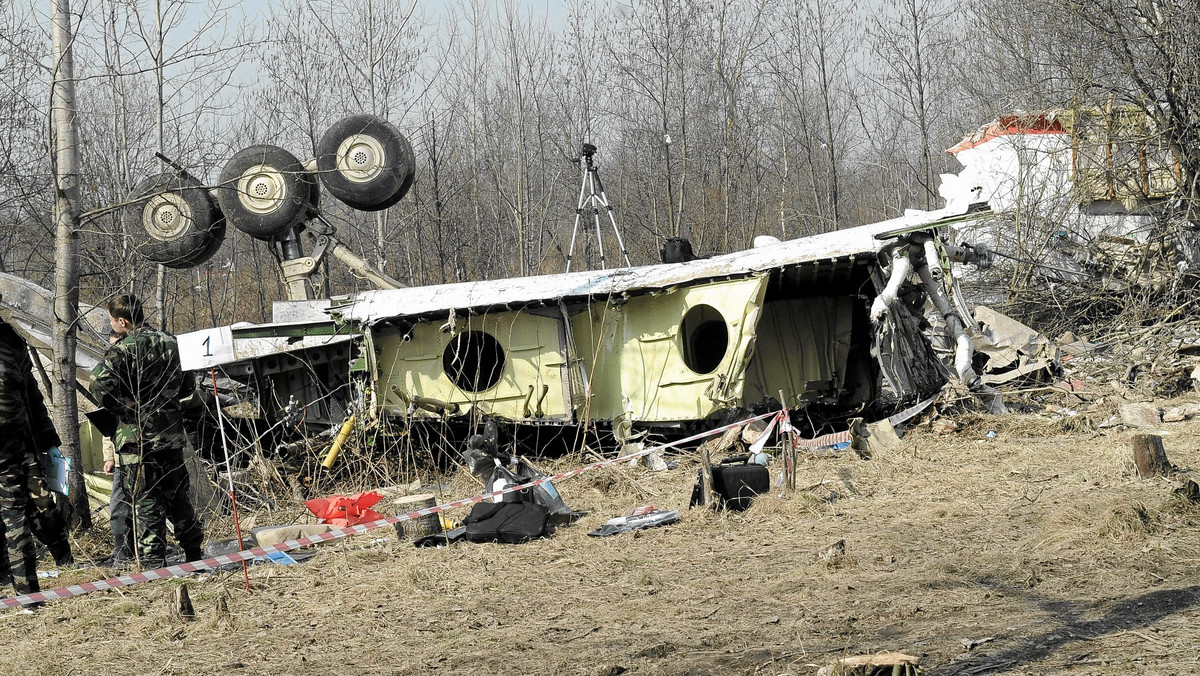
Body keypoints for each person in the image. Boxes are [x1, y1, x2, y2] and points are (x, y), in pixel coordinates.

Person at [91, 295, 203, 568]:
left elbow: (98, 383)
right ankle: (193, 553)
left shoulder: (124, 349)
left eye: (111, 320)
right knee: (178, 496)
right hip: (171, 434)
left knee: (146, 499)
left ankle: (154, 562)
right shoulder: (171, 342)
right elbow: (188, 386)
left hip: (137, 437)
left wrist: (122, 405)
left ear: (122, 321)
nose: (111, 325)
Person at [0, 319, 72, 598]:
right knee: (14, 518)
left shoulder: (11, 340)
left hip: (21, 447)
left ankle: (63, 560)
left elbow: (32, 396)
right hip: (14, 448)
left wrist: (49, 440)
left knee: (42, 508)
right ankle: (24, 591)